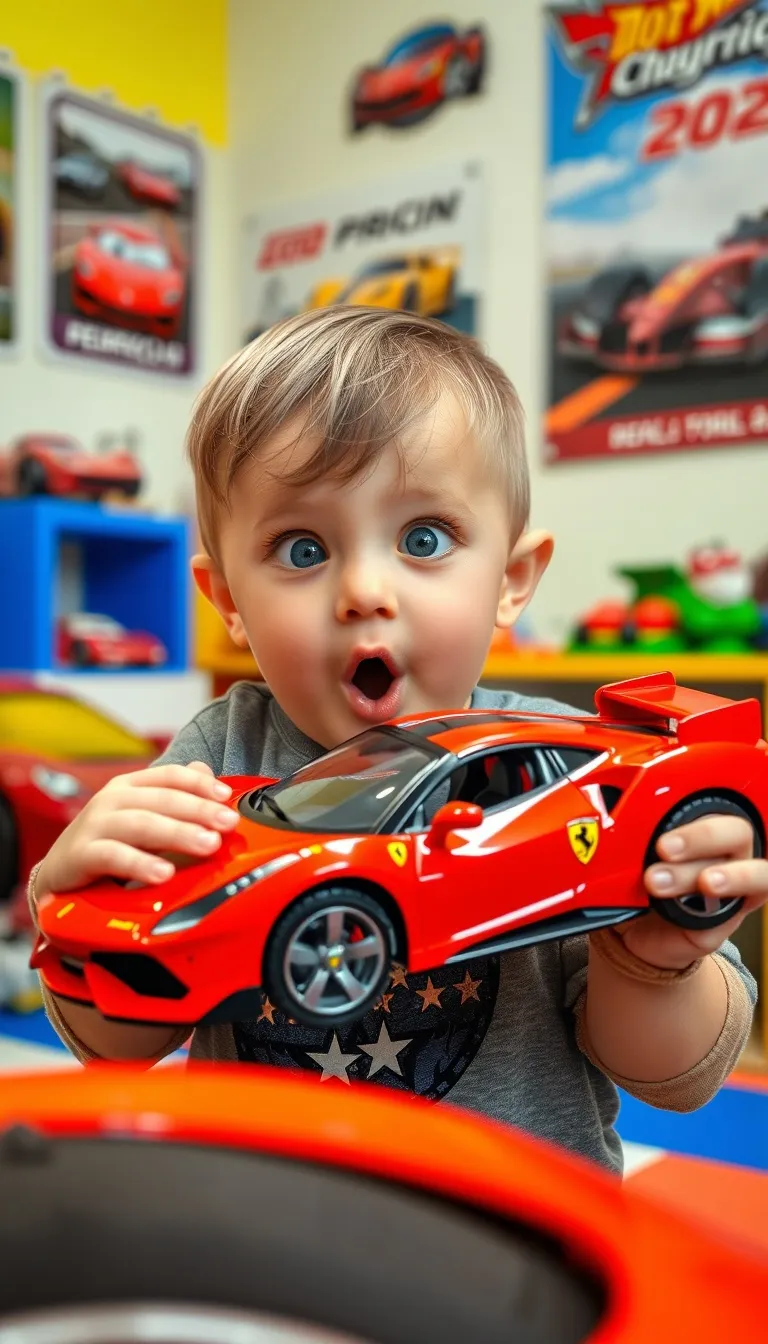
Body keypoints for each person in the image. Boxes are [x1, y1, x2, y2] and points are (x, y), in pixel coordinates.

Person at [30, 307, 764, 1174]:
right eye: (302, 549)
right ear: (225, 598)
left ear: (510, 579)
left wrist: (654, 964)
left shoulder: (561, 768)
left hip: (512, 1241)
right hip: (268, 1234)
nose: (365, 591)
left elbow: (670, 1081)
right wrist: (85, 908)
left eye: (424, 539)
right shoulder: (216, 759)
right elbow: (119, 1045)